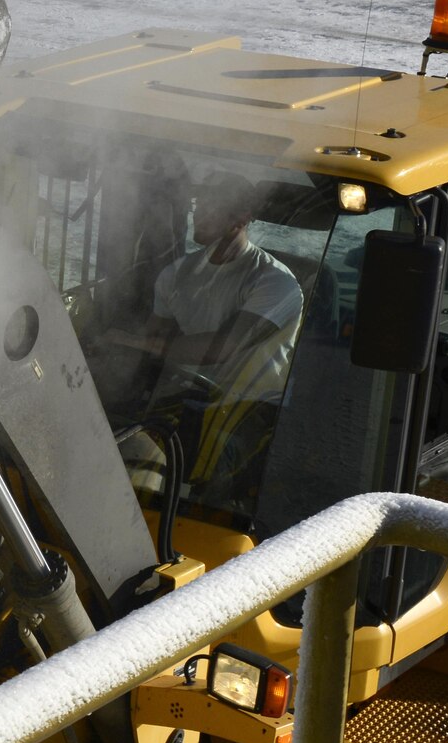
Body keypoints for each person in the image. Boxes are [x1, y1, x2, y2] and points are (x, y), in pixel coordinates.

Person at [111, 172, 305, 506]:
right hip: (191, 395)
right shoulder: (175, 275)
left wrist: (140, 343)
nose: (197, 214)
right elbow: (154, 338)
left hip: (252, 408)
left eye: (211, 207)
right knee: (119, 439)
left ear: (241, 219)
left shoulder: (274, 282)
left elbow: (223, 348)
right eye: (198, 205)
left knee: (184, 469)